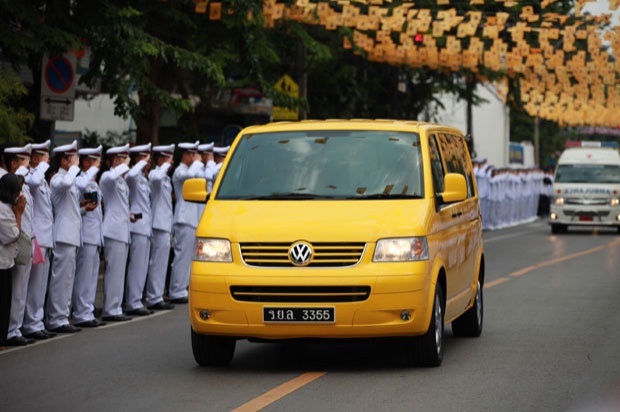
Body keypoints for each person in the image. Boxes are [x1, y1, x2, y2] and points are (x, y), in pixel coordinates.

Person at [47, 140, 87, 333]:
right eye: (74, 157)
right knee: (60, 279)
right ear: (64, 161)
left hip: (70, 235)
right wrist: (73, 168)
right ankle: (56, 318)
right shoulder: (57, 179)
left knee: (67, 278)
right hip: (63, 235)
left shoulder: (67, 179)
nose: (77, 160)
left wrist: (84, 209)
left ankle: (62, 316)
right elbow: (64, 184)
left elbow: (70, 208)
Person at [22, 140, 58, 339]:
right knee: (33, 283)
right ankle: (30, 323)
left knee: (40, 283)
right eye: (44, 156)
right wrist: (41, 165)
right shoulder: (32, 177)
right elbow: (33, 182)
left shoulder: (42, 179)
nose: (48, 160)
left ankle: (36, 320)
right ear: (35, 159)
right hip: (37, 237)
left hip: (45, 236)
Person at [3, 144, 35, 345]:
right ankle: (11, 329)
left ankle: (16, 327)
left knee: (22, 286)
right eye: (25, 161)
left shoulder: (22, 183)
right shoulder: (5, 181)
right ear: (14, 163)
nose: (29, 166)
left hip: (25, 237)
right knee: (15, 287)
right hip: (13, 237)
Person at [72, 145, 106, 328]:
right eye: (94, 161)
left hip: (95, 234)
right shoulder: (80, 180)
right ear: (85, 162)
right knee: (84, 275)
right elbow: (79, 195)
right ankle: (80, 312)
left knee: (92, 275)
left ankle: (87, 309)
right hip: (85, 233)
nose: (98, 165)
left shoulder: (93, 181)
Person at [100, 144, 133, 322]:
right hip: (113, 231)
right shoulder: (108, 176)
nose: (127, 163)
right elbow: (110, 178)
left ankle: (116, 307)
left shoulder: (121, 180)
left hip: (121, 230)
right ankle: (110, 309)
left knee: (119, 272)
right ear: (116, 160)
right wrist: (123, 165)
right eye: (123, 159)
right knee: (114, 272)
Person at [169, 141, 203, 304]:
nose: (195, 157)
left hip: (191, 219)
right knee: (181, 257)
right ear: (185, 155)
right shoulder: (180, 172)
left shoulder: (190, 170)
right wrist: (197, 162)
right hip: (183, 219)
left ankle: (183, 288)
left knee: (188, 257)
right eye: (192, 154)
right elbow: (189, 176)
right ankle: (176, 290)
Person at [124, 143, 154, 316]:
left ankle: (137, 299)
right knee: (136, 266)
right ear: (137, 159)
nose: (148, 163)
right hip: (137, 227)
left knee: (142, 266)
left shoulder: (143, 178)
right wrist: (141, 162)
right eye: (144, 158)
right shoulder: (133, 177)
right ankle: (132, 301)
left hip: (144, 226)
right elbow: (132, 173)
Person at [145, 144, 175, 311]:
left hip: (164, 223)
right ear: (162, 159)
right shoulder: (155, 174)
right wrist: (164, 165)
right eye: (168, 158)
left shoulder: (165, 177)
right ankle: (153, 296)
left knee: (162, 262)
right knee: (157, 262)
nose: (171, 162)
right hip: (158, 223)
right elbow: (155, 179)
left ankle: (157, 294)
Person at [0, 174, 28, 346]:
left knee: (5, 302)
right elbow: (12, 235)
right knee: (2, 303)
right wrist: (18, 214)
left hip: (6, 261)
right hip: (1, 262)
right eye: (17, 191)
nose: (19, 196)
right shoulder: (3, 209)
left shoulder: (5, 206)